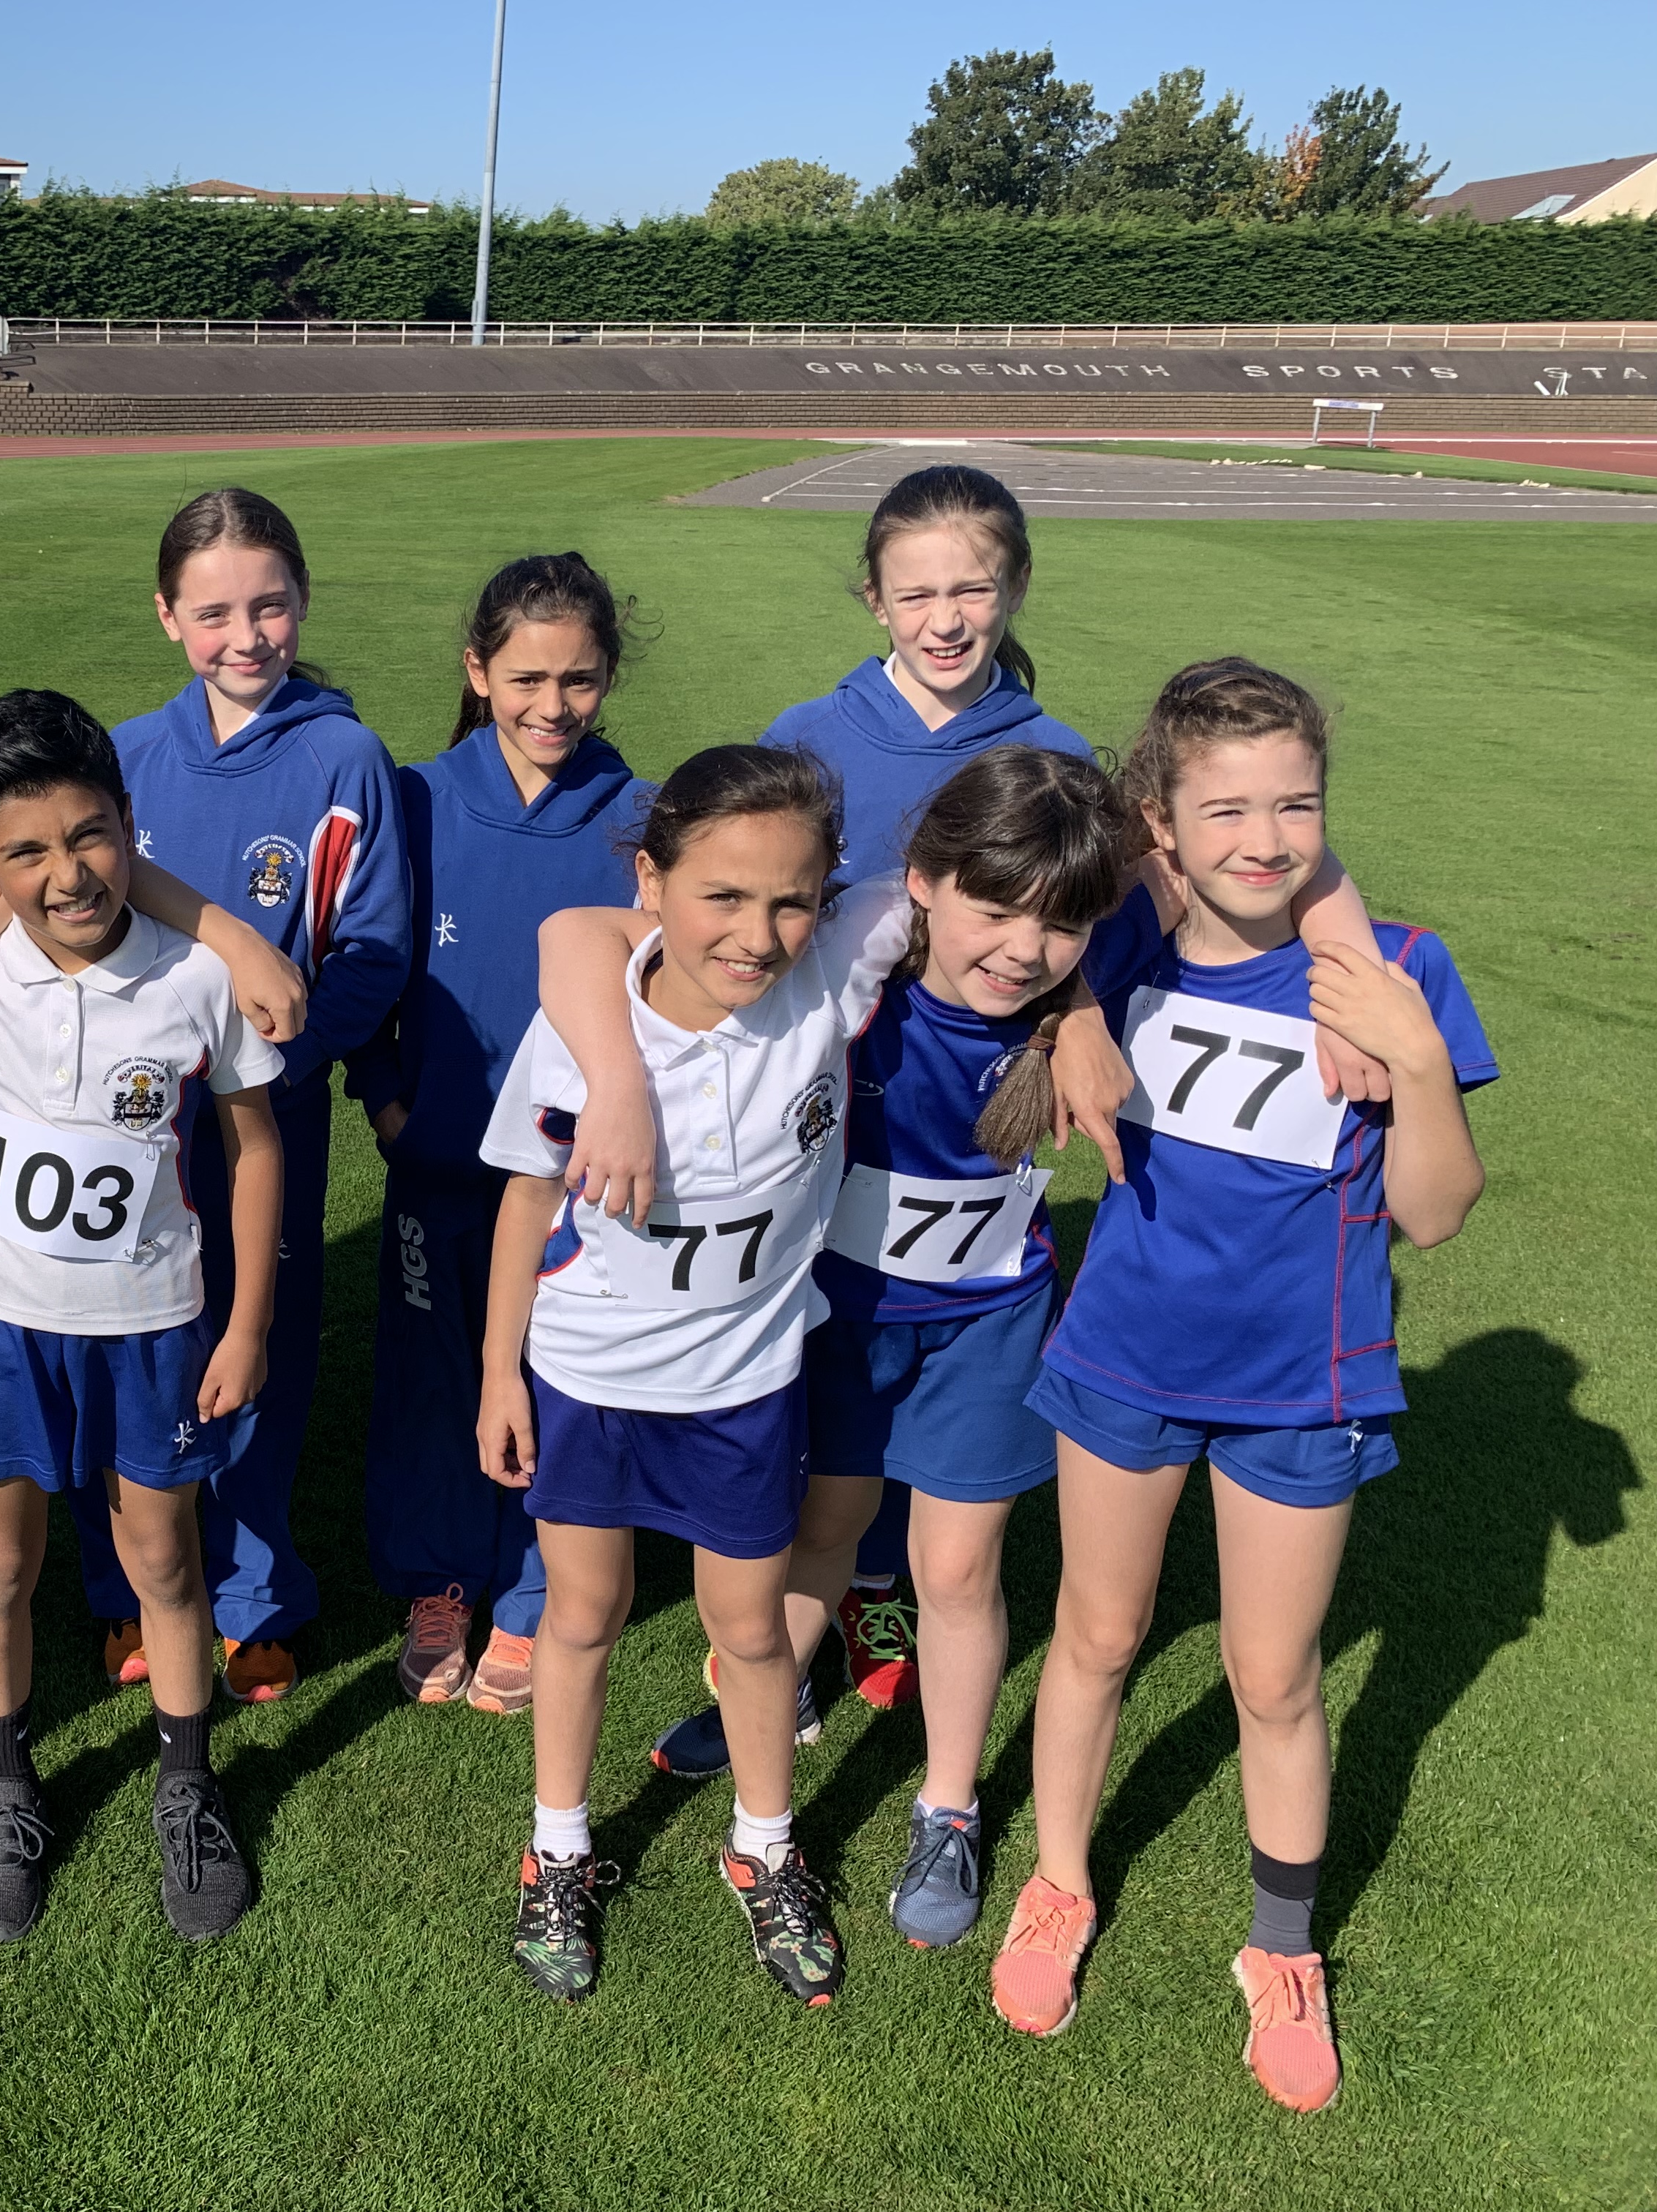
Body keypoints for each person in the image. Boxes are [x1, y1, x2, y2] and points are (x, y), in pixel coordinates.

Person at [993, 660, 1492, 2115]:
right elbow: (1026, 950)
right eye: (1224, 810)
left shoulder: (1393, 966)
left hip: (1302, 1384)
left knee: (1274, 1676)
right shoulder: (1115, 947)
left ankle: (1281, 1946)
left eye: (1295, 804)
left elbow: (1436, 1214)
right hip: (1123, 1358)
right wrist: (1077, 1013)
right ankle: (1060, 1882)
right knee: (1096, 1634)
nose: (1264, 839)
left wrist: (1415, 1057)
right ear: (1159, 820)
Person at [645, 748, 1145, 1954]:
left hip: (989, 1320)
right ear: (922, 880)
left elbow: (1205, 871)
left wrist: (1080, 1006)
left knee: (957, 1570)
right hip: (841, 1316)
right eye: (995, 909)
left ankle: (947, 1806)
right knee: (824, 1526)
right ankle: (770, 1688)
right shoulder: (850, 963)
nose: (1023, 948)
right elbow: (626, 942)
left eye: (1060, 926)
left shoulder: (1076, 987)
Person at [486, 745, 901, 2008]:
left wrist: (1085, 1012)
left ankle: (763, 1848)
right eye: (721, 895)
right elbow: (525, 1199)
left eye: (791, 900)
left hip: (742, 1386)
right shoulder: (579, 1032)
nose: (758, 934)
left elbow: (989, 887)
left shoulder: (828, 975)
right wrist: (499, 1371)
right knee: (581, 1613)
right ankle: (558, 1849)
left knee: (752, 1629)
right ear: (650, 881)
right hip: (588, 1378)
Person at [0, 691, 288, 1941]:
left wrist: (245, 1325)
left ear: (129, 822)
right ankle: (5, 1791)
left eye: (90, 834)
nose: (68, 872)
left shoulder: (196, 974)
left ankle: (187, 1783)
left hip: (153, 1322)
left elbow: (253, 1142)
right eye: (25, 851)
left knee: (164, 1560)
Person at [754, 462, 1097, 1712]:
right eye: (917, 594)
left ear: (1015, 586)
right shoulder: (811, 735)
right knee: (828, 1404)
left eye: (974, 589)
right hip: (827, 1123)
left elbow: (1081, 937)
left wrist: (1082, 1018)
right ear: (874, 599)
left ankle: (882, 1587)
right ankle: (782, 1640)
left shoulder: (1056, 752)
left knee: (942, 1374)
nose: (946, 619)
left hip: (973, 1133)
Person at [93, 487, 411, 1704]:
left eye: (268, 605)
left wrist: (285, 1053)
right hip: (131, 1120)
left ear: (302, 603)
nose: (245, 635)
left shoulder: (345, 759)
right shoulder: (124, 755)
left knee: (254, 1329)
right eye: (215, 611)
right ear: (167, 615)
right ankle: (129, 1581)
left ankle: (255, 1592)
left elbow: (373, 949)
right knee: (132, 1337)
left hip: (269, 1112)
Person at [342, 552, 653, 1715]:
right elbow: (365, 959)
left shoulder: (640, 814)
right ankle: (440, 1581)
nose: (553, 706)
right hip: (439, 1162)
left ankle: (530, 1589)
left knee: (551, 1375)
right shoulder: (415, 798)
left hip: (571, 1179)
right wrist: (389, 1101)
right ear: (478, 671)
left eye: (579, 679)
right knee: (433, 1373)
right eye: (526, 679)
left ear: (607, 676)